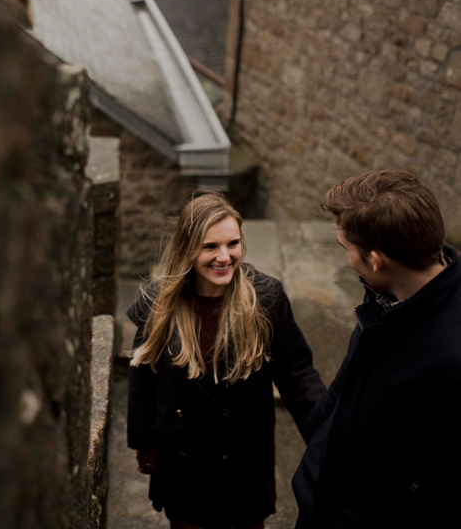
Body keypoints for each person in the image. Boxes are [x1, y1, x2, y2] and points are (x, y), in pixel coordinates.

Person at [128, 191, 326, 529]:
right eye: (210, 247)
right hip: (183, 461)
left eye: (232, 243)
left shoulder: (265, 298)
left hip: (243, 459)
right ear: (188, 249)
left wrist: (327, 436)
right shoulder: (158, 304)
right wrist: (143, 442)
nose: (224, 257)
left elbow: (296, 374)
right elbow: (143, 375)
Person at [292, 170, 461, 528]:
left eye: (347, 249)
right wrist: (320, 434)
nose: (347, 259)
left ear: (375, 259)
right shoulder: (388, 299)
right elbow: (347, 385)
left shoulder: (451, 357)